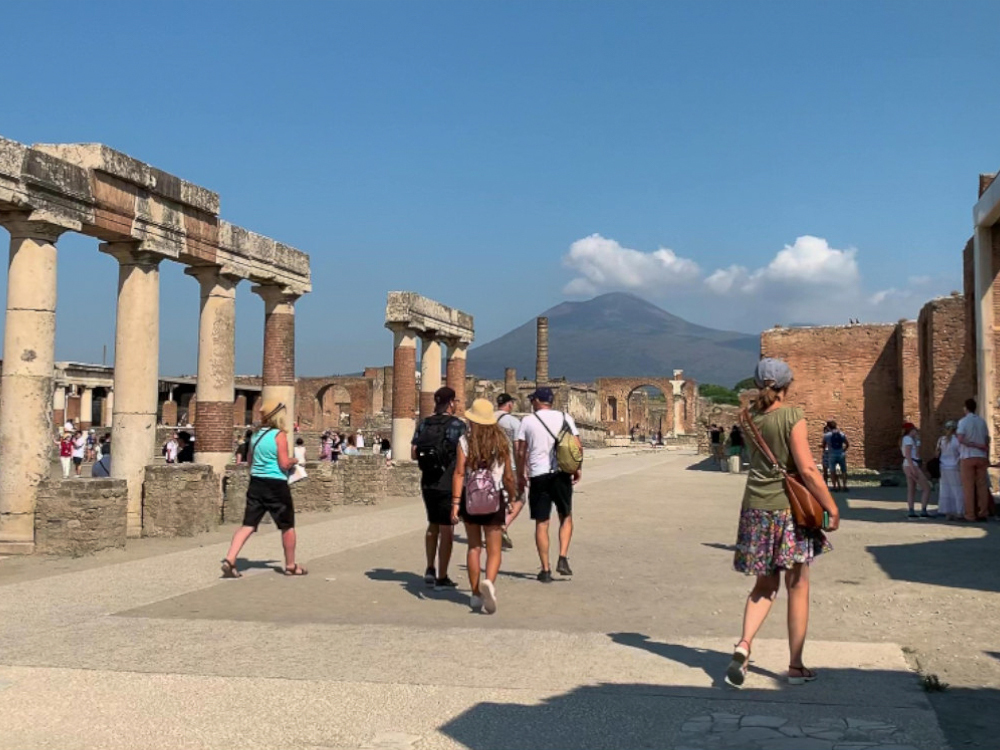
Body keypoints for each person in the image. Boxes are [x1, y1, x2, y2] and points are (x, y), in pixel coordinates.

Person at [725, 358, 838, 689]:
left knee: (764, 586)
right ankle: (795, 665)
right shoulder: (792, 416)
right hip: (790, 511)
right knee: (798, 585)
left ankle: (744, 645)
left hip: (756, 508)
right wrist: (831, 505)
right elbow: (807, 470)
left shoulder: (747, 417)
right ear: (787, 386)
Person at [221, 401, 306, 577]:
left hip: (256, 483)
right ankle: (290, 565)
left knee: (248, 524)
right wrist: (294, 461)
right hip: (275, 484)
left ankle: (230, 558)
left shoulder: (255, 436)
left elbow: (250, 462)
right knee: (287, 526)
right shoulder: (279, 435)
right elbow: (283, 463)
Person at [451, 398, 516, 614]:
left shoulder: (464, 441)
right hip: (494, 498)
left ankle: (475, 594)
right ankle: (488, 581)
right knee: (494, 550)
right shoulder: (501, 441)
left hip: (471, 500)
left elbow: (459, 473)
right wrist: (512, 496)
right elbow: (507, 476)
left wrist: (455, 503)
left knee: (474, 547)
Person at [515, 386, 582, 582]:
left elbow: (520, 451)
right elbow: (577, 446)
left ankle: (545, 569)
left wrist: (521, 473)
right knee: (566, 516)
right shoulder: (564, 418)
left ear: (537, 401)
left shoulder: (527, 421)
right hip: (561, 473)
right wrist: (577, 468)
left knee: (542, 522)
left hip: (538, 475)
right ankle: (562, 556)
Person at [412, 386, 466, 590]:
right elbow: (465, 454)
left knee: (432, 524)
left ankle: (429, 568)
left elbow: (413, 452)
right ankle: (442, 576)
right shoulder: (457, 426)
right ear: (452, 402)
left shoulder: (424, 423)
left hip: (427, 481)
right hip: (448, 481)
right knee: (447, 529)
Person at [956, 398, 992, 522]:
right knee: (982, 485)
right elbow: (987, 439)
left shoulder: (963, 422)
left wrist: (973, 444)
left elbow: (960, 439)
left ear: (966, 408)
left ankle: (970, 514)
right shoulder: (982, 422)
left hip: (968, 456)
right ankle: (983, 512)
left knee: (968, 486)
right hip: (981, 456)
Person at [495, 393, 523, 550]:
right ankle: (503, 526)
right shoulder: (513, 422)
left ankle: (492, 528)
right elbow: (518, 448)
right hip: (510, 466)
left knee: (494, 498)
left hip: (490, 466)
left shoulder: (488, 419)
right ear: (510, 405)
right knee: (520, 497)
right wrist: (522, 469)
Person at [902, 422, 932, 518]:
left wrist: (918, 443)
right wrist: (912, 469)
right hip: (911, 464)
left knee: (911, 489)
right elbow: (908, 455)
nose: (916, 431)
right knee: (926, 487)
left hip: (909, 464)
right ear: (911, 430)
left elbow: (917, 454)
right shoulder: (908, 439)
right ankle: (923, 510)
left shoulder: (911, 440)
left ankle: (911, 510)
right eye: (915, 429)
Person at [936, 421, 963, 521]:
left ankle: (948, 512)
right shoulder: (957, 441)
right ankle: (959, 511)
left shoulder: (941, 440)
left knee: (946, 489)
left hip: (943, 467)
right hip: (954, 467)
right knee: (957, 490)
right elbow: (961, 454)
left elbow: (936, 454)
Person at [826, 421, 849, 492]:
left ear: (828, 427)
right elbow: (847, 444)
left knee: (832, 471)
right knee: (844, 471)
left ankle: (834, 487)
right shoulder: (841, 434)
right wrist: (844, 450)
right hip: (841, 454)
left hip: (832, 455)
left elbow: (824, 445)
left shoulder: (827, 435)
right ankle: (844, 486)